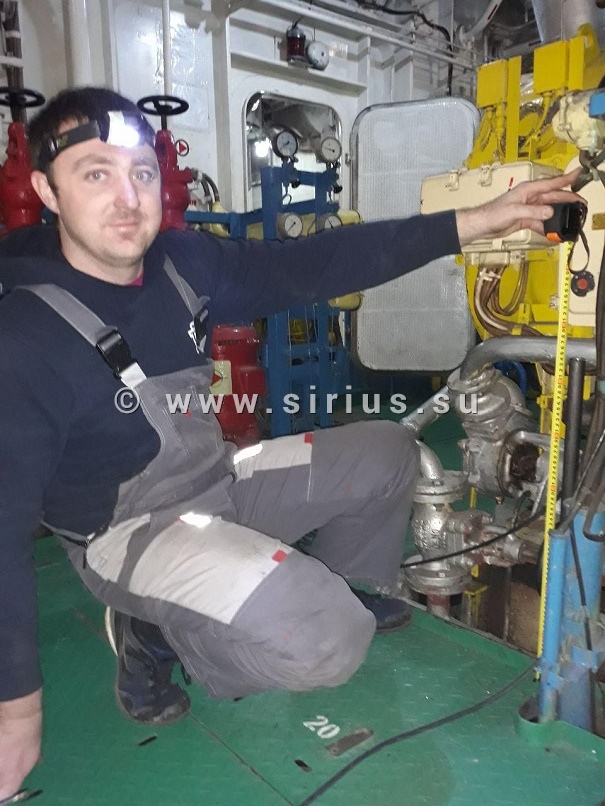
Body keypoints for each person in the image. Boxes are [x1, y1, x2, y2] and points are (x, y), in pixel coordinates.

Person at [0, 85, 584, 799]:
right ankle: (156, 633)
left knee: (387, 450)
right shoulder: (24, 337)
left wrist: (478, 220)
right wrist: (16, 709)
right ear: (47, 191)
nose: (127, 198)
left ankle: (347, 588)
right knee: (327, 638)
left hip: (215, 482)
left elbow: (322, 262)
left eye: (141, 172)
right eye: (96, 174)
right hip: (126, 534)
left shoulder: (181, 263)